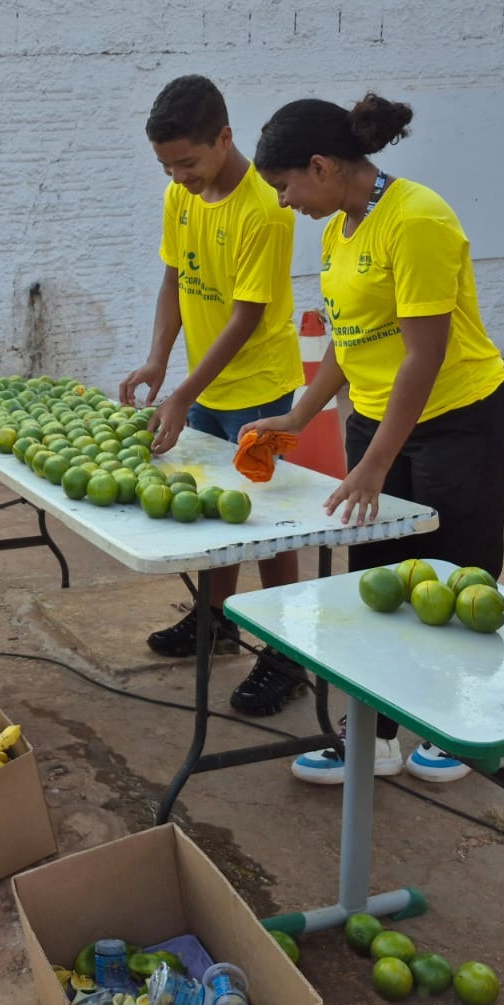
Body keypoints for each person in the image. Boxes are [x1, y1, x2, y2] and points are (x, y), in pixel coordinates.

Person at [245, 92, 504, 787]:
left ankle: (455, 724)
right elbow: (351, 340)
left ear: (321, 165)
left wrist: (372, 464)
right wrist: (301, 417)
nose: (282, 203)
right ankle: (378, 733)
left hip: (459, 423)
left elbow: (423, 355)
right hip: (380, 421)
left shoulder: (417, 219)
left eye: (284, 186)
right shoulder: (341, 227)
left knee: (456, 578)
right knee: (382, 584)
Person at [120, 76, 308, 716]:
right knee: (211, 506)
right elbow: (175, 279)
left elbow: (246, 317)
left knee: (271, 523)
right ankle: (215, 619)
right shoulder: (183, 194)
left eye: (188, 162)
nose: (177, 176)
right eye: (167, 166)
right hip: (203, 385)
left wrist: (180, 392)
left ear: (225, 137)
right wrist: (157, 361)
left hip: (261, 392)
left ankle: (287, 655)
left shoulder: (265, 208)